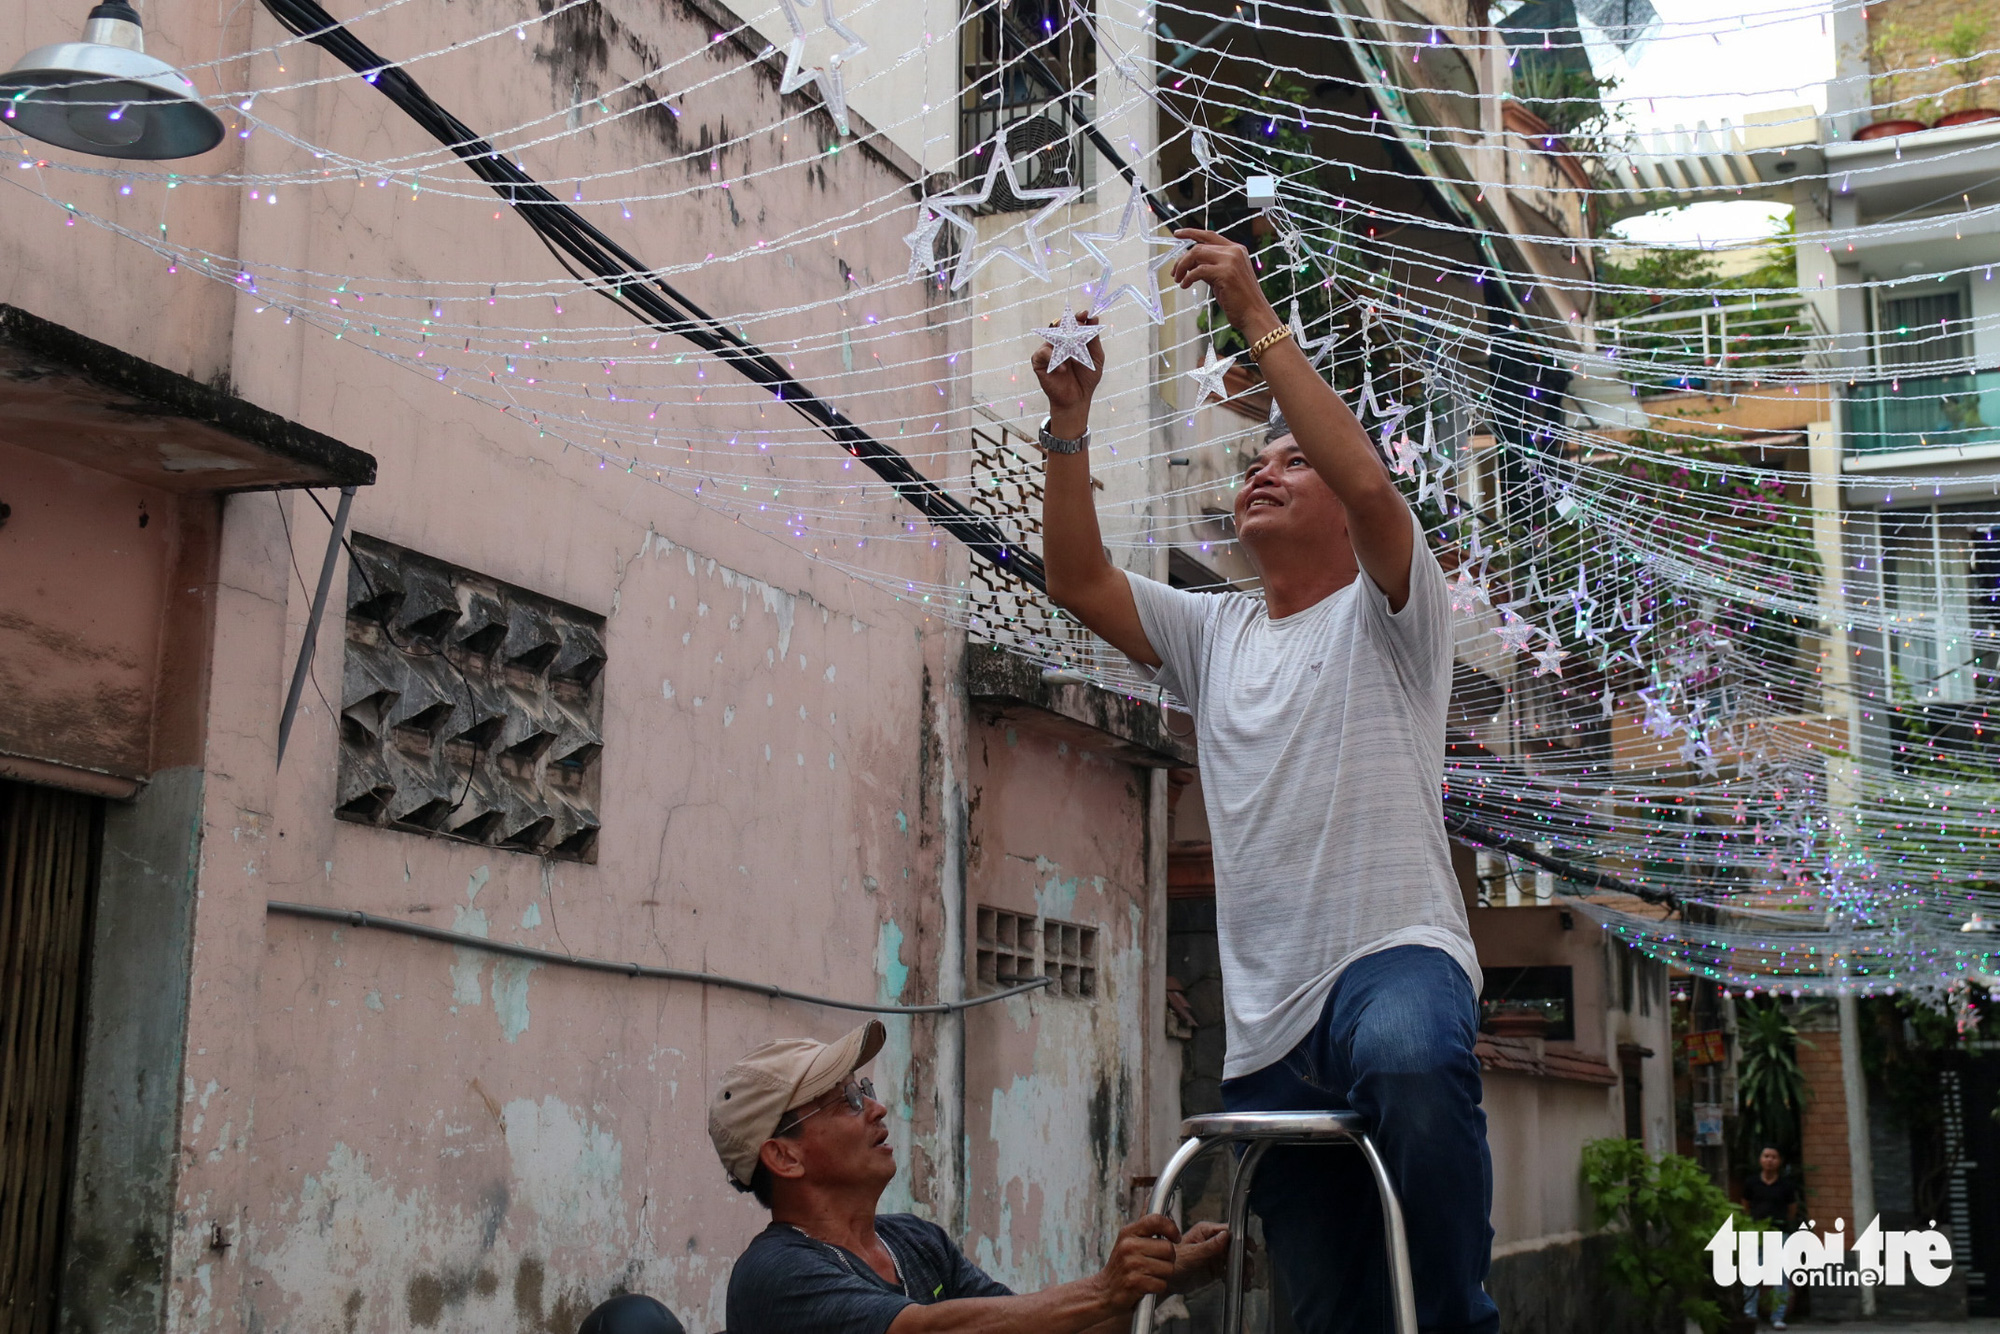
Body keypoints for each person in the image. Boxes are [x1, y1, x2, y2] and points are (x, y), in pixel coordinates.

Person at [1028, 230, 1497, 1334]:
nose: (1262, 471)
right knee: (1323, 1311)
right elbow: (1076, 577)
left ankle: (1457, 1318)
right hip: (1269, 1025)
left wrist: (1251, 311)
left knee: (1409, 1057)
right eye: (1254, 461)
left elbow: (1370, 480)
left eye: (1292, 461)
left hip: (1393, 962)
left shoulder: (1396, 609)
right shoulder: (1214, 631)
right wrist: (1067, 423)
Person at [711, 1019, 1230, 1334]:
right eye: (846, 1100)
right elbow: (924, 1331)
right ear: (784, 1157)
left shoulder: (915, 1241)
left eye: (864, 1089)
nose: (876, 1107)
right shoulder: (775, 1275)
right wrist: (1103, 1289)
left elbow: (1038, 1327)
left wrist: (1167, 1276)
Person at [1741, 1145, 1800, 1329]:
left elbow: (1792, 1209)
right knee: (1752, 1273)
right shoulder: (1752, 1183)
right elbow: (1745, 1206)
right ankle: (1750, 1313)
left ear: (1779, 1161)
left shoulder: (1786, 1185)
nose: (1769, 1160)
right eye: (1766, 1156)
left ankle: (1778, 1316)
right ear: (1760, 1159)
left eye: (1773, 1157)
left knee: (1780, 1275)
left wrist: (1782, 1224)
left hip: (1779, 1232)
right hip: (1756, 1233)